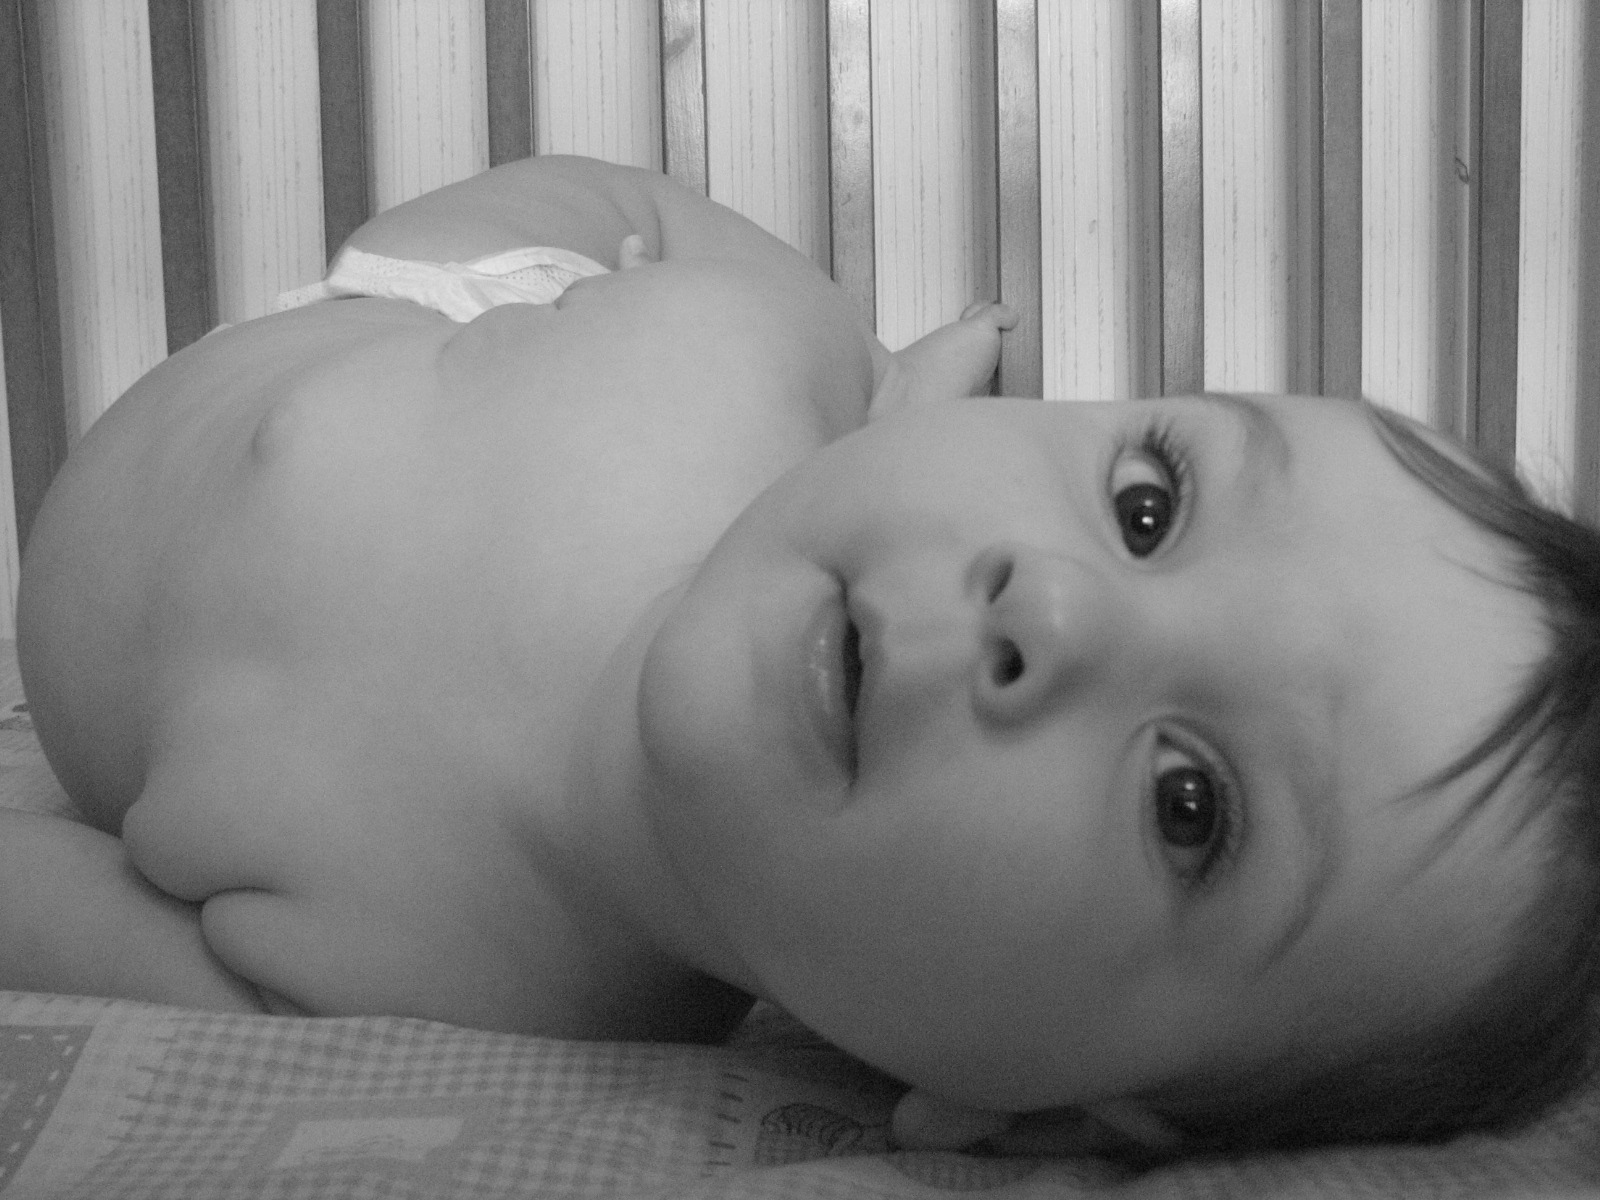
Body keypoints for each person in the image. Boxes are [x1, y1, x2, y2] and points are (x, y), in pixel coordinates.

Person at [8, 155, 1598, 1161]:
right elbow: (630, 211)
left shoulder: (452, 991)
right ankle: (915, 396)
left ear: (1026, 1113)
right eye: (1147, 499)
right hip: (435, 308)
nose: (1049, 613)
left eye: (1194, 807)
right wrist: (445, 265)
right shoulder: (747, 354)